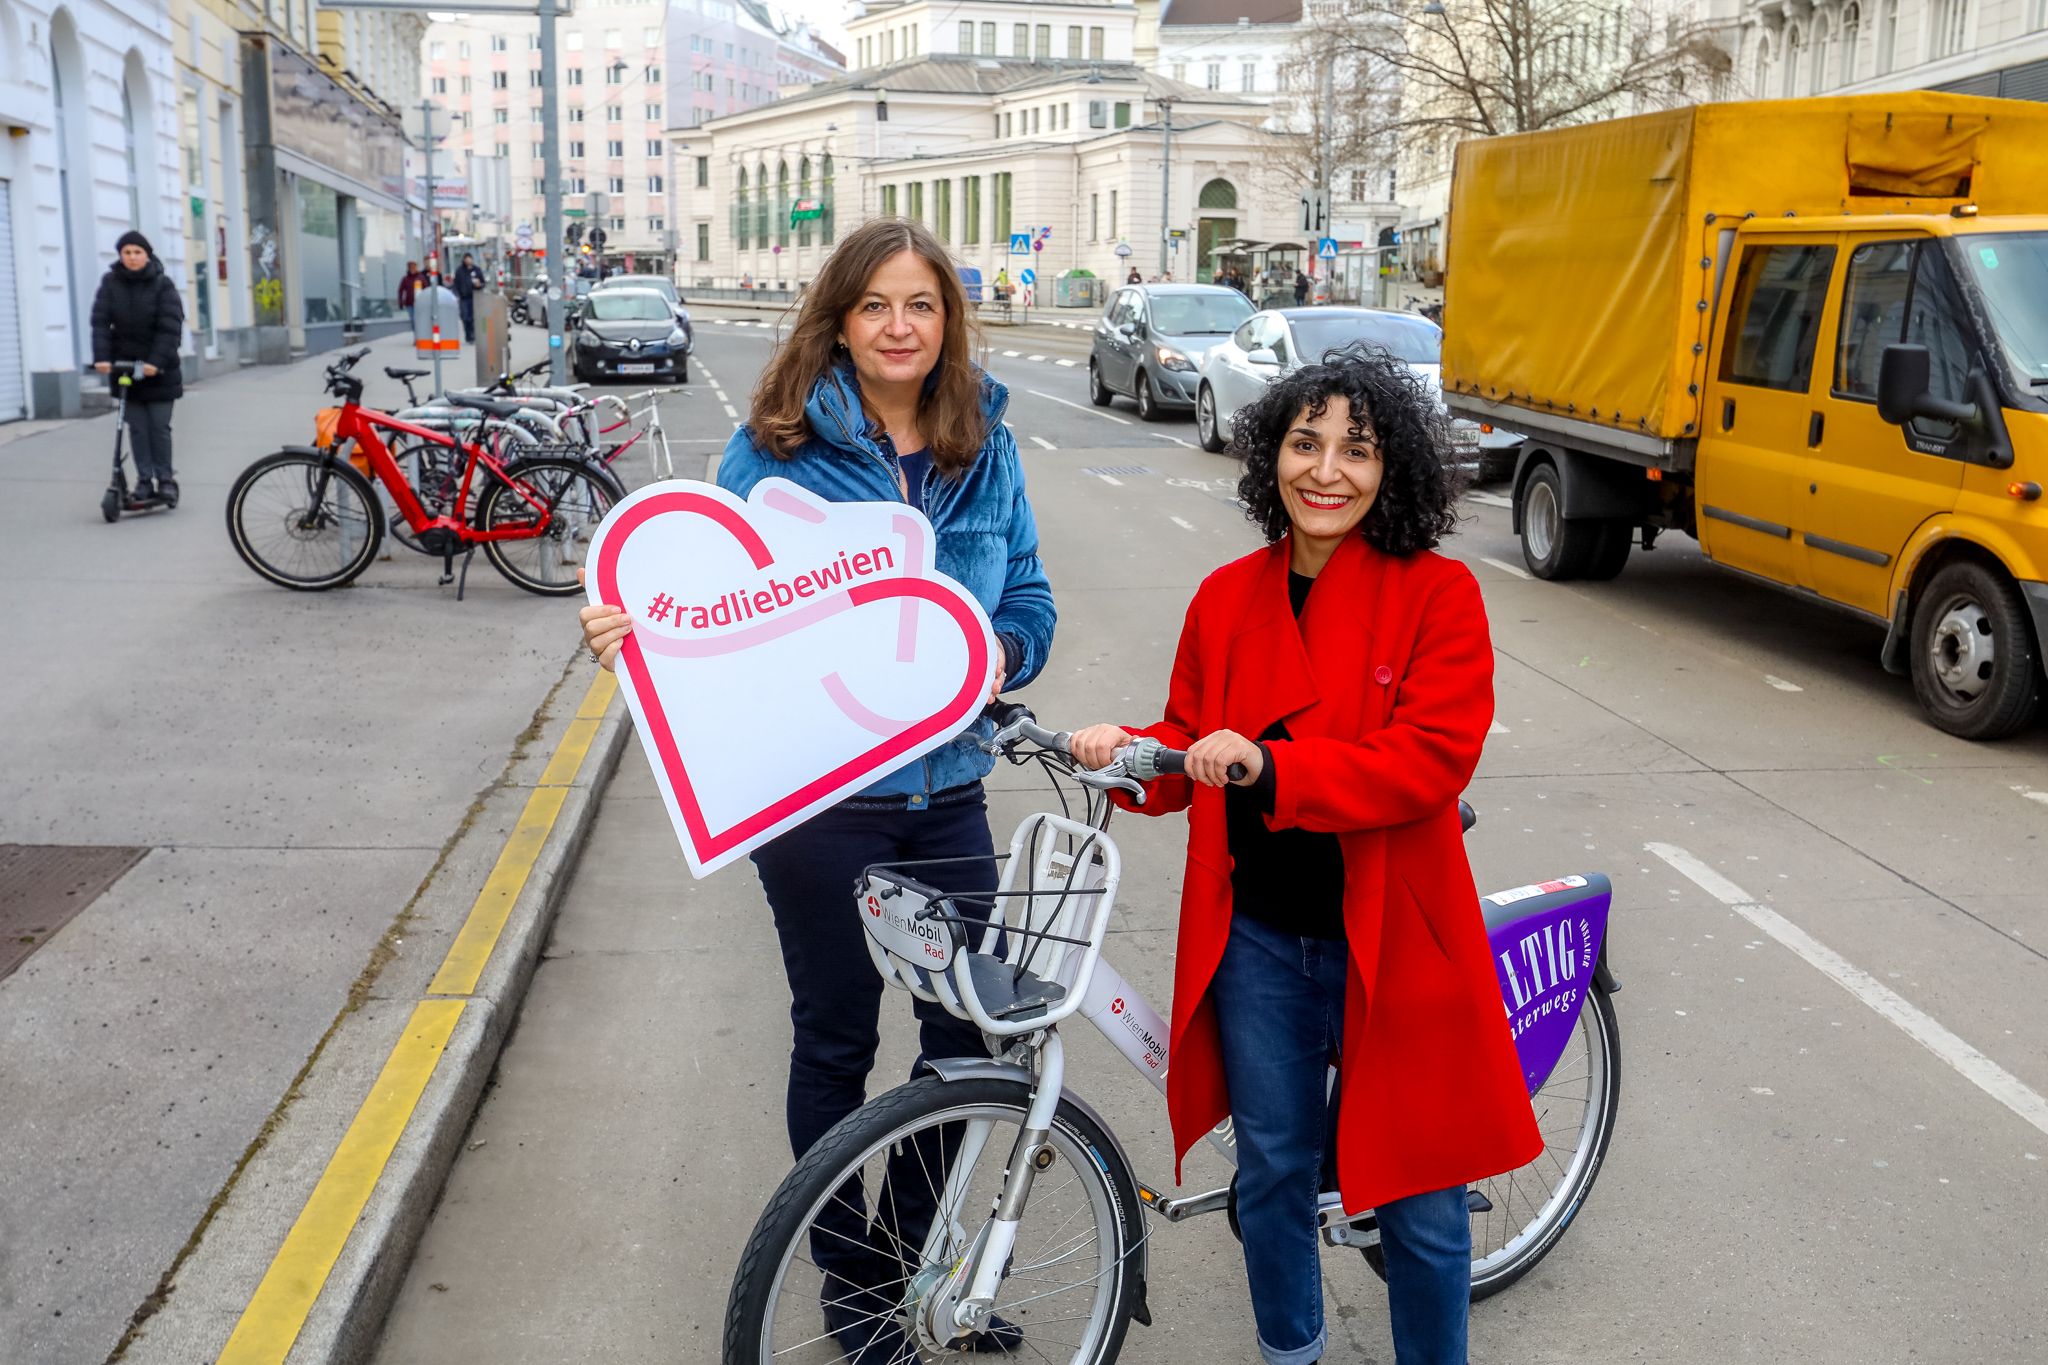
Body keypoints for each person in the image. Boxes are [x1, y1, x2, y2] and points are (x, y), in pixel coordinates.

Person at [579, 218, 1055, 1362]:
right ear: (839, 321)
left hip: (947, 793)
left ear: (947, 320)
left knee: (962, 1041)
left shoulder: (984, 446)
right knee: (835, 1036)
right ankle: (853, 1280)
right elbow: (710, 609)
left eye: (920, 305)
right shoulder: (774, 450)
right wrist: (636, 639)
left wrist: (992, 653)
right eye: (875, 305)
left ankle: (908, 1258)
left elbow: (1030, 598)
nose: (899, 326)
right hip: (820, 805)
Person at [1069, 347, 1541, 1365]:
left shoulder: (1439, 595)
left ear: (1391, 469)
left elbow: (1429, 759)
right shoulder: (1224, 596)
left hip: (1393, 939)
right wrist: (1124, 755)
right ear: (1269, 457)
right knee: (1273, 1172)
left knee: (1418, 1199)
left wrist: (1271, 766)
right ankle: (1291, 1349)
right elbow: (1185, 743)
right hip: (1256, 940)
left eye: (1356, 450)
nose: (1325, 471)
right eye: (1303, 443)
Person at [90, 230, 185, 507]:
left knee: (158, 427)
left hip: (159, 372)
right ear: (121, 255)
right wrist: (102, 357)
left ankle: (164, 479)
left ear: (147, 255)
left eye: (137, 252)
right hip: (125, 370)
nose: (132, 257)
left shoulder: (162, 285)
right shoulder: (110, 283)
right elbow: (100, 323)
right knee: (138, 429)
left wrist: (155, 361)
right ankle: (144, 480)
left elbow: (170, 328)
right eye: (127, 252)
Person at [452, 252, 486, 342]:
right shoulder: (460, 271)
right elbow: (455, 284)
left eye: (470, 259)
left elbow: (483, 282)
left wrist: (480, 285)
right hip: (464, 297)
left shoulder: (477, 270)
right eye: (466, 259)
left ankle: (473, 334)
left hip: (475, 297)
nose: (468, 261)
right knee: (466, 317)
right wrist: (456, 295)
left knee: (475, 317)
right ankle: (468, 334)